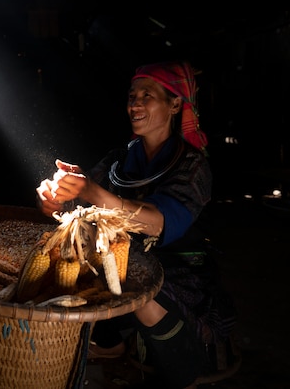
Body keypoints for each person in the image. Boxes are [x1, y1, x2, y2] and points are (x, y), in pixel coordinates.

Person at [36, 61, 236, 389]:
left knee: (143, 291)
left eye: (147, 95)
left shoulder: (192, 166)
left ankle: (184, 368)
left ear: (175, 105)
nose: (135, 103)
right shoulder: (120, 161)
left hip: (181, 272)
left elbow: (158, 222)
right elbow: (77, 204)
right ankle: (112, 342)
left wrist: (90, 189)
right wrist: (55, 197)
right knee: (71, 266)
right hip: (126, 265)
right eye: (132, 96)